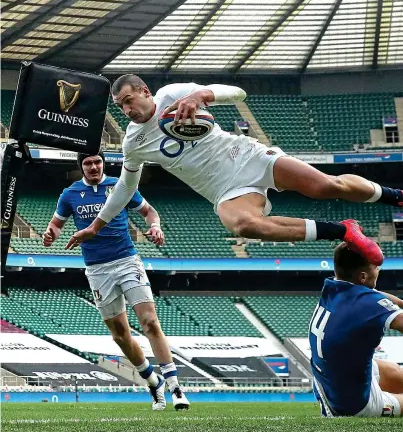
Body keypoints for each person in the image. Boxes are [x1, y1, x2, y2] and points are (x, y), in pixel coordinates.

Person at [65, 76, 403, 264]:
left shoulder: (175, 94)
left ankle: (396, 197)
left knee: (328, 186)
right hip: (225, 191)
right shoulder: (133, 142)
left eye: (128, 100)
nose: (126, 109)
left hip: (247, 156)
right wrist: (96, 226)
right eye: (120, 106)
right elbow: (125, 187)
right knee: (242, 224)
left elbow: (238, 91)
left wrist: (200, 95)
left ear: (145, 91)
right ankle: (344, 231)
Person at [43, 150, 190, 411]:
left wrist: (155, 225)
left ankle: (175, 386)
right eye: (87, 163)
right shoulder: (70, 194)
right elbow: (56, 225)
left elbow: (149, 212)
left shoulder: (120, 186)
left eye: (97, 162)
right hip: (97, 270)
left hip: (127, 261)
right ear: (81, 167)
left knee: (150, 322)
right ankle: (152, 381)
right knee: (121, 335)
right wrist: (50, 233)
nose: (93, 167)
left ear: (103, 163)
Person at [309, 242, 403, 417]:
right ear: (362, 277)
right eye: (375, 266)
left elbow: (377, 297)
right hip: (354, 403)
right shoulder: (367, 304)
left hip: (332, 380)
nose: (378, 270)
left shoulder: (332, 287)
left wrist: (400, 303)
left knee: (395, 372)